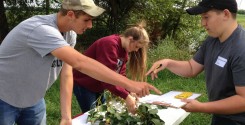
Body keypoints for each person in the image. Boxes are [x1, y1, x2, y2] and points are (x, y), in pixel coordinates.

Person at [0, 0, 161, 125]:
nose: (90, 25)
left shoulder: (70, 35)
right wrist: (130, 84)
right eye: (86, 20)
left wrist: (66, 116)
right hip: (4, 98)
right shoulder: (42, 29)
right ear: (70, 14)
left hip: (34, 100)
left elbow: (67, 74)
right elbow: (80, 63)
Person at [146, 0, 245, 124]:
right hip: (222, 114)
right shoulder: (212, 40)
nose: (202, 23)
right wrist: (168, 63)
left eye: (206, 17)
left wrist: (201, 107)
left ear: (226, 14)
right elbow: (191, 68)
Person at [73, 22, 149, 114]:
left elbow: (120, 76)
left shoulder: (124, 51)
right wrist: (126, 96)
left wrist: (129, 91)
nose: (136, 50)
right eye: (136, 46)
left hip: (98, 85)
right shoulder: (109, 44)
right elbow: (106, 77)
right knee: (91, 114)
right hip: (84, 83)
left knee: (102, 113)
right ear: (130, 39)